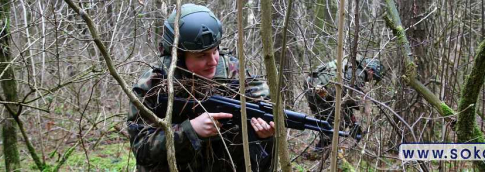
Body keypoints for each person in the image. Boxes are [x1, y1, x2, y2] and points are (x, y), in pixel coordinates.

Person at [127, 4, 274, 172]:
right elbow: (141, 148)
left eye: (215, 51)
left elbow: (263, 101)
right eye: (201, 55)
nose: (213, 61)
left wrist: (262, 133)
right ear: (179, 56)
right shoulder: (154, 84)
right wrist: (190, 130)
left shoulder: (233, 72)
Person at [304, 58, 383, 154]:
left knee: (326, 121)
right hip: (319, 91)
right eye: (374, 77)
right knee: (335, 121)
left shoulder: (352, 67)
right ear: (371, 71)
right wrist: (362, 105)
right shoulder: (359, 73)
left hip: (312, 86)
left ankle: (323, 149)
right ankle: (321, 151)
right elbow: (349, 97)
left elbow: (345, 98)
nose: (371, 80)